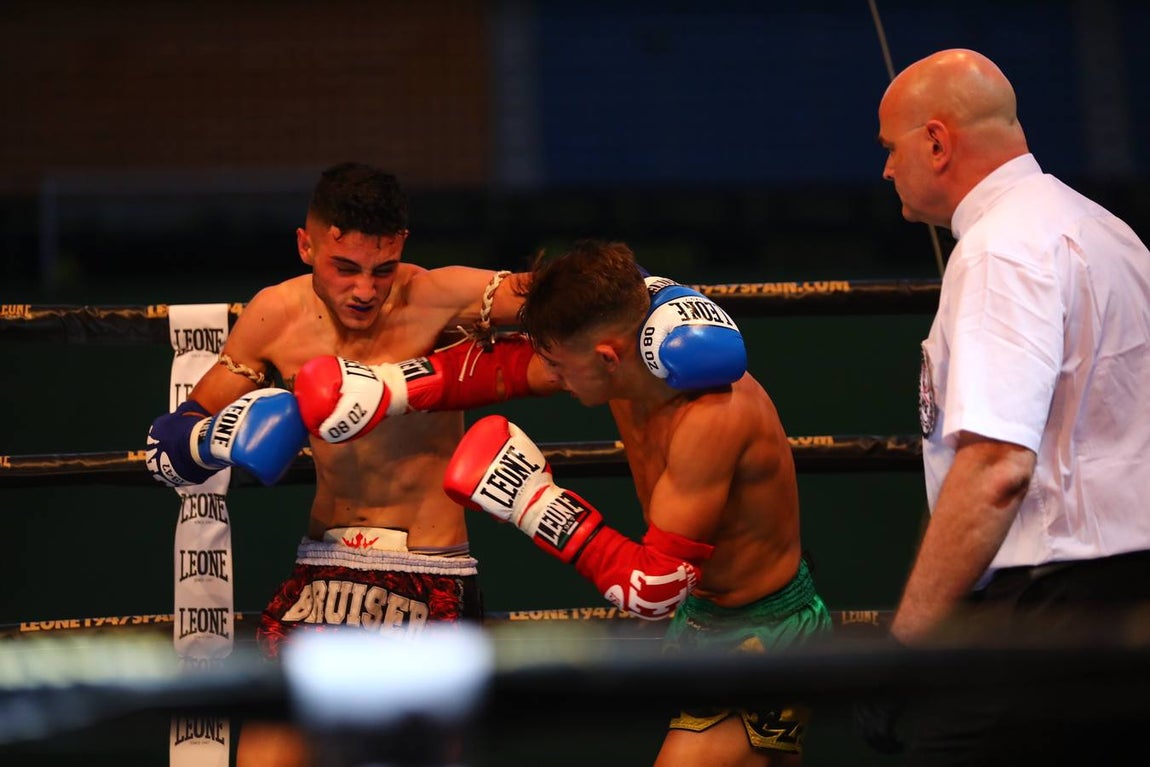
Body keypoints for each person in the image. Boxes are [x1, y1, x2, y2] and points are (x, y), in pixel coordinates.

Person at [145, 161, 554, 766]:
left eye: (381, 270)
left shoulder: (441, 296)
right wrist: (215, 440)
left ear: (402, 250)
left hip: (430, 570)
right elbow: (167, 446)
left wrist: (659, 295)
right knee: (265, 756)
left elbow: (580, 297)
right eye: (345, 268)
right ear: (306, 245)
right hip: (323, 570)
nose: (365, 290)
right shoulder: (273, 315)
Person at [443, 240, 833, 767]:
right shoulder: (619, 346)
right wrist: (388, 388)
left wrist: (534, 503)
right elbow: (508, 329)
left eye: (558, 364)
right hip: (704, 617)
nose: (550, 375)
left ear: (607, 356)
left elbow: (655, 588)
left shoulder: (709, 417)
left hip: (763, 630)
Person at [871, 48, 1150, 763]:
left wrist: (903, 646)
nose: (885, 170)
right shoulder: (1105, 228)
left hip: (1051, 611)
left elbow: (996, 466)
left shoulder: (1002, 249)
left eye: (891, 148)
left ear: (936, 141)